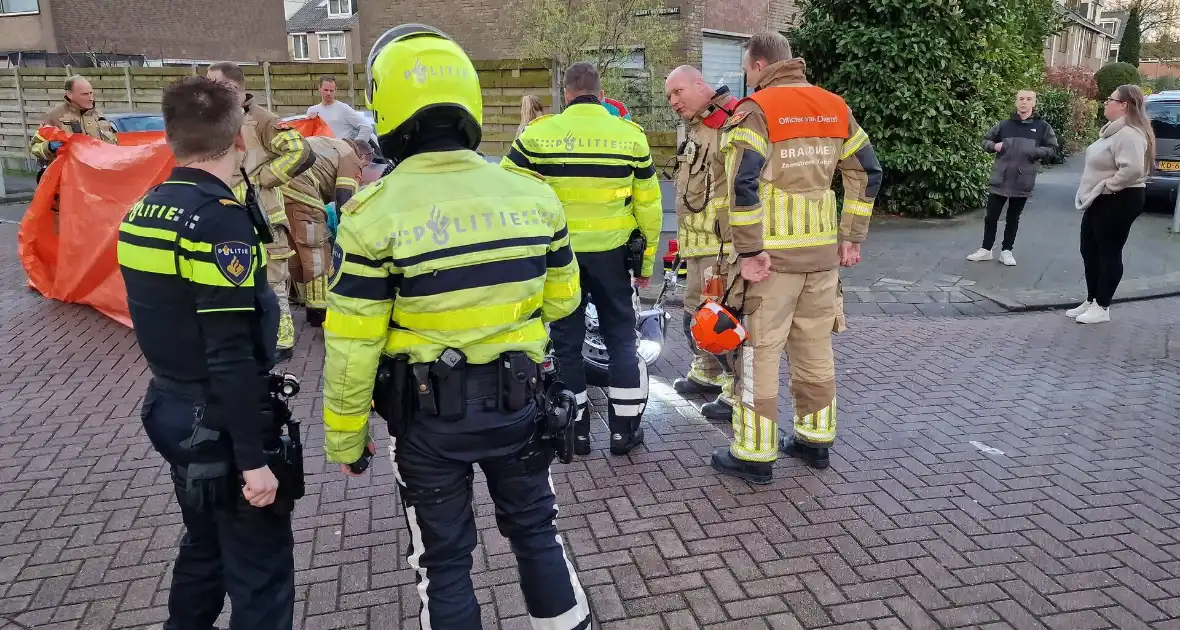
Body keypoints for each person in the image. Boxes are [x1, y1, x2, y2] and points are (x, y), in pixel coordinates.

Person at [321, 24, 592, 629]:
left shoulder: (369, 215)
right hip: (519, 406)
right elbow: (564, 301)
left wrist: (345, 438)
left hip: (427, 422)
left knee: (442, 563)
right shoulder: (535, 198)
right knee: (536, 533)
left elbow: (351, 344)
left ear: (387, 107)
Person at [117, 76, 293, 630]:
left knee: (204, 545)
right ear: (240, 136)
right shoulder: (218, 222)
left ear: (169, 138)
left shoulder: (141, 210)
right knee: (261, 573)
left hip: (171, 409)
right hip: (219, 421)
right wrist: (253, 460)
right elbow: (230, 352)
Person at [710, 31, 882, 481]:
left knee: (759, 352)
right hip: (822, 257)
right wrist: (851, 237)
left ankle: (754, 452)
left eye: (748, 70)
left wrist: (749, 251)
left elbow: (742, 184)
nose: (748, 78)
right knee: (814, 347)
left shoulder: (756, 110)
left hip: (770, 262)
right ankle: (815, 440)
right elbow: (867, 170)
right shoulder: (835, 107)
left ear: (759, 66)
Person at [504, 61, 662, 456]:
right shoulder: (631, 137)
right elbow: (650, 207)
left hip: (559, 258)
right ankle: (624, 433)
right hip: (612, 257)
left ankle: (575, 434)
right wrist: (644, 267)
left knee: (566, 344)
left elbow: (507, 193)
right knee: (622, 341)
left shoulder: (538, 136)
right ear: (603, 95)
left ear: (567, 95)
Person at [207, 61, 314, 362]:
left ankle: (282, 342)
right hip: (230, 214)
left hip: (263, 215)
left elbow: (301, 150)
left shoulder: (263, 120)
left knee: (273, 281)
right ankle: (256, 336)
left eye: (212, 83)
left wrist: (266, 178)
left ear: (231, 87)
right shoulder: (218, 120)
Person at [663, 65, 739, 415]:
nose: (673, 102)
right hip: (696, 245)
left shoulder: (731, 121)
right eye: (669, 97)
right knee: (695, 316)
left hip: (722, 247)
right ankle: (706, 373)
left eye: (678, 92)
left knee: (722, 321)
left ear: (699, 84)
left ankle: (737, 390)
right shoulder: (693, 129)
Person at [1069, 84, 1155, 325]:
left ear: (1123, 105)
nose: (1105, 103)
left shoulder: (1130, 134)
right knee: (1089, 249)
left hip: (1120, 199)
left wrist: (1108, 187)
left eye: (1110, 99)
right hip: (1100, 199)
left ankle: (1102, 306)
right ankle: (1092, 299)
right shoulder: (1113, 132)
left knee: (1108, 251)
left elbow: (1134, 169)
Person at [279, 135, 369, 326]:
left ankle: (300, 296)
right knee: (316, 248)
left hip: (278, 193)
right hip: (303, 194)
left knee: (294, 248)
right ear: (363, 156)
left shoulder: (327, 143)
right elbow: (345, 197)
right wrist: (348, 233)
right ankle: (319, 308)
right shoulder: (350, 156)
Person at [967, 90, 1059, 267]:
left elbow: (1053, 149)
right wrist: (995, 146)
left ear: (1034, 103)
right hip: (1000, 177)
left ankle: (1006, 251)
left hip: (1022, 179)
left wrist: (1034, 152)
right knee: (991, 217)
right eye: (1021, 99)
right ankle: (986, 249)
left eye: (1028, 99)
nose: (1024, 102)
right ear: (1016, 102)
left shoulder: (1042, 127)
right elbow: (985, 141)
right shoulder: (1004, 125)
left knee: (1013, 218)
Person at [29, 75, 118, 167]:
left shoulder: (98, 115)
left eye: (91, 93)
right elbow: (35, 147)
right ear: (70, 94)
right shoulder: (53, 117)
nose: (91, 98)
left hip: (99, 174)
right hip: (70, 177)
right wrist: (49, 147)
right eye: (85, 94)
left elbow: (114, 143)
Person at [306, 75, 373, 143]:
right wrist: (309, 122)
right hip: (319, 151)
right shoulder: (312, 110)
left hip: (342, 151)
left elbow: (367, 127)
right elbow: (307, 136)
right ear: (319, 89)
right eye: (325, 90)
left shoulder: (343, 108)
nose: (328, 93)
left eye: (331, 90)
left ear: (336, 90)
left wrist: (355, 146)